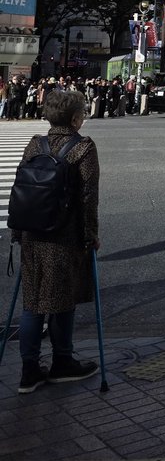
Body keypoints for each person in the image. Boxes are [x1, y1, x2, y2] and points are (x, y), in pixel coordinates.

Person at [12, 89, 100, 394]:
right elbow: (88, 198)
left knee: (33, 302)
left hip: (31, 233)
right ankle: (63, 361)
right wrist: (91, 235)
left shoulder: (37, 143)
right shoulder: (83, 148)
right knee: (63, 299)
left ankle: (29, 370)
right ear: (76, 118)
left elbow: (21, 187)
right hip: (64, 235)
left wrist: (18, 232)